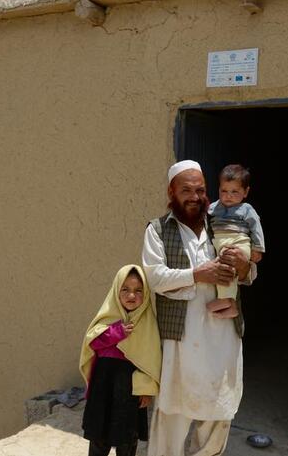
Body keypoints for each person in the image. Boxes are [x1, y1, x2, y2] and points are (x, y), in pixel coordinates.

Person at [142, 160, 255, 456]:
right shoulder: (157, 230)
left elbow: (249, 273)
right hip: (180, 339)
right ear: (171, 191)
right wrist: (196, 274)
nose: (194, 196)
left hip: (222, 337)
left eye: (200, 190)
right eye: (186, 190)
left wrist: (244, 267)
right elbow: (154, 278)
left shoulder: (221, 221)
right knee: (173, 413)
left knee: (218, 412)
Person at [80, 265, 162, 456]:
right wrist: (116, 332)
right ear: (116, 291)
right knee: (99, 436)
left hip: (130, 389)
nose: (131, 296)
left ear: (146, 294)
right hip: (104, 386)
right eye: (125, 289)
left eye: (138, 291)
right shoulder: (107, 318)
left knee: (127, 438)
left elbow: (152, 359)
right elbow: (92, 343)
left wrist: (147, 390)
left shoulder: (147, 323)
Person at [209, 164, 265, 300]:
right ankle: (227, 302)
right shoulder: (213, 207)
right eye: (224, 191)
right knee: (220, 269)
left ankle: (226, 301)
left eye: (235, 192)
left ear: (245, 192)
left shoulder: (246, 209)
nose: (228, 196)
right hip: (221, 243)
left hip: (238, 243)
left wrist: (257, 248)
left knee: (226, 269)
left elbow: (256, 228)